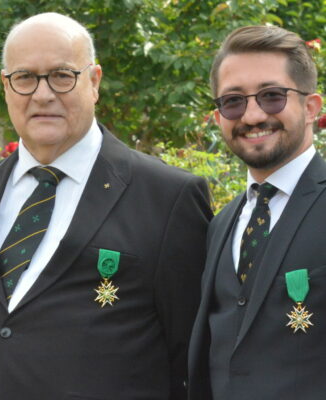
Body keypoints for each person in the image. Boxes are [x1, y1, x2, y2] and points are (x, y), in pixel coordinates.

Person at [0, 12, 213, 400]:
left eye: (61, 75)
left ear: (94, 81)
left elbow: (191, 357)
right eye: (24, 78)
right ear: (6, 86)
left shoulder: (167, 197)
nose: (42, 94)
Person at [188, 25, 326, 400]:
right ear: (218, 116)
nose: (251, 115)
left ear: (311, 107)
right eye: (233, 101)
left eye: (271, 96)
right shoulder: (221, 225)